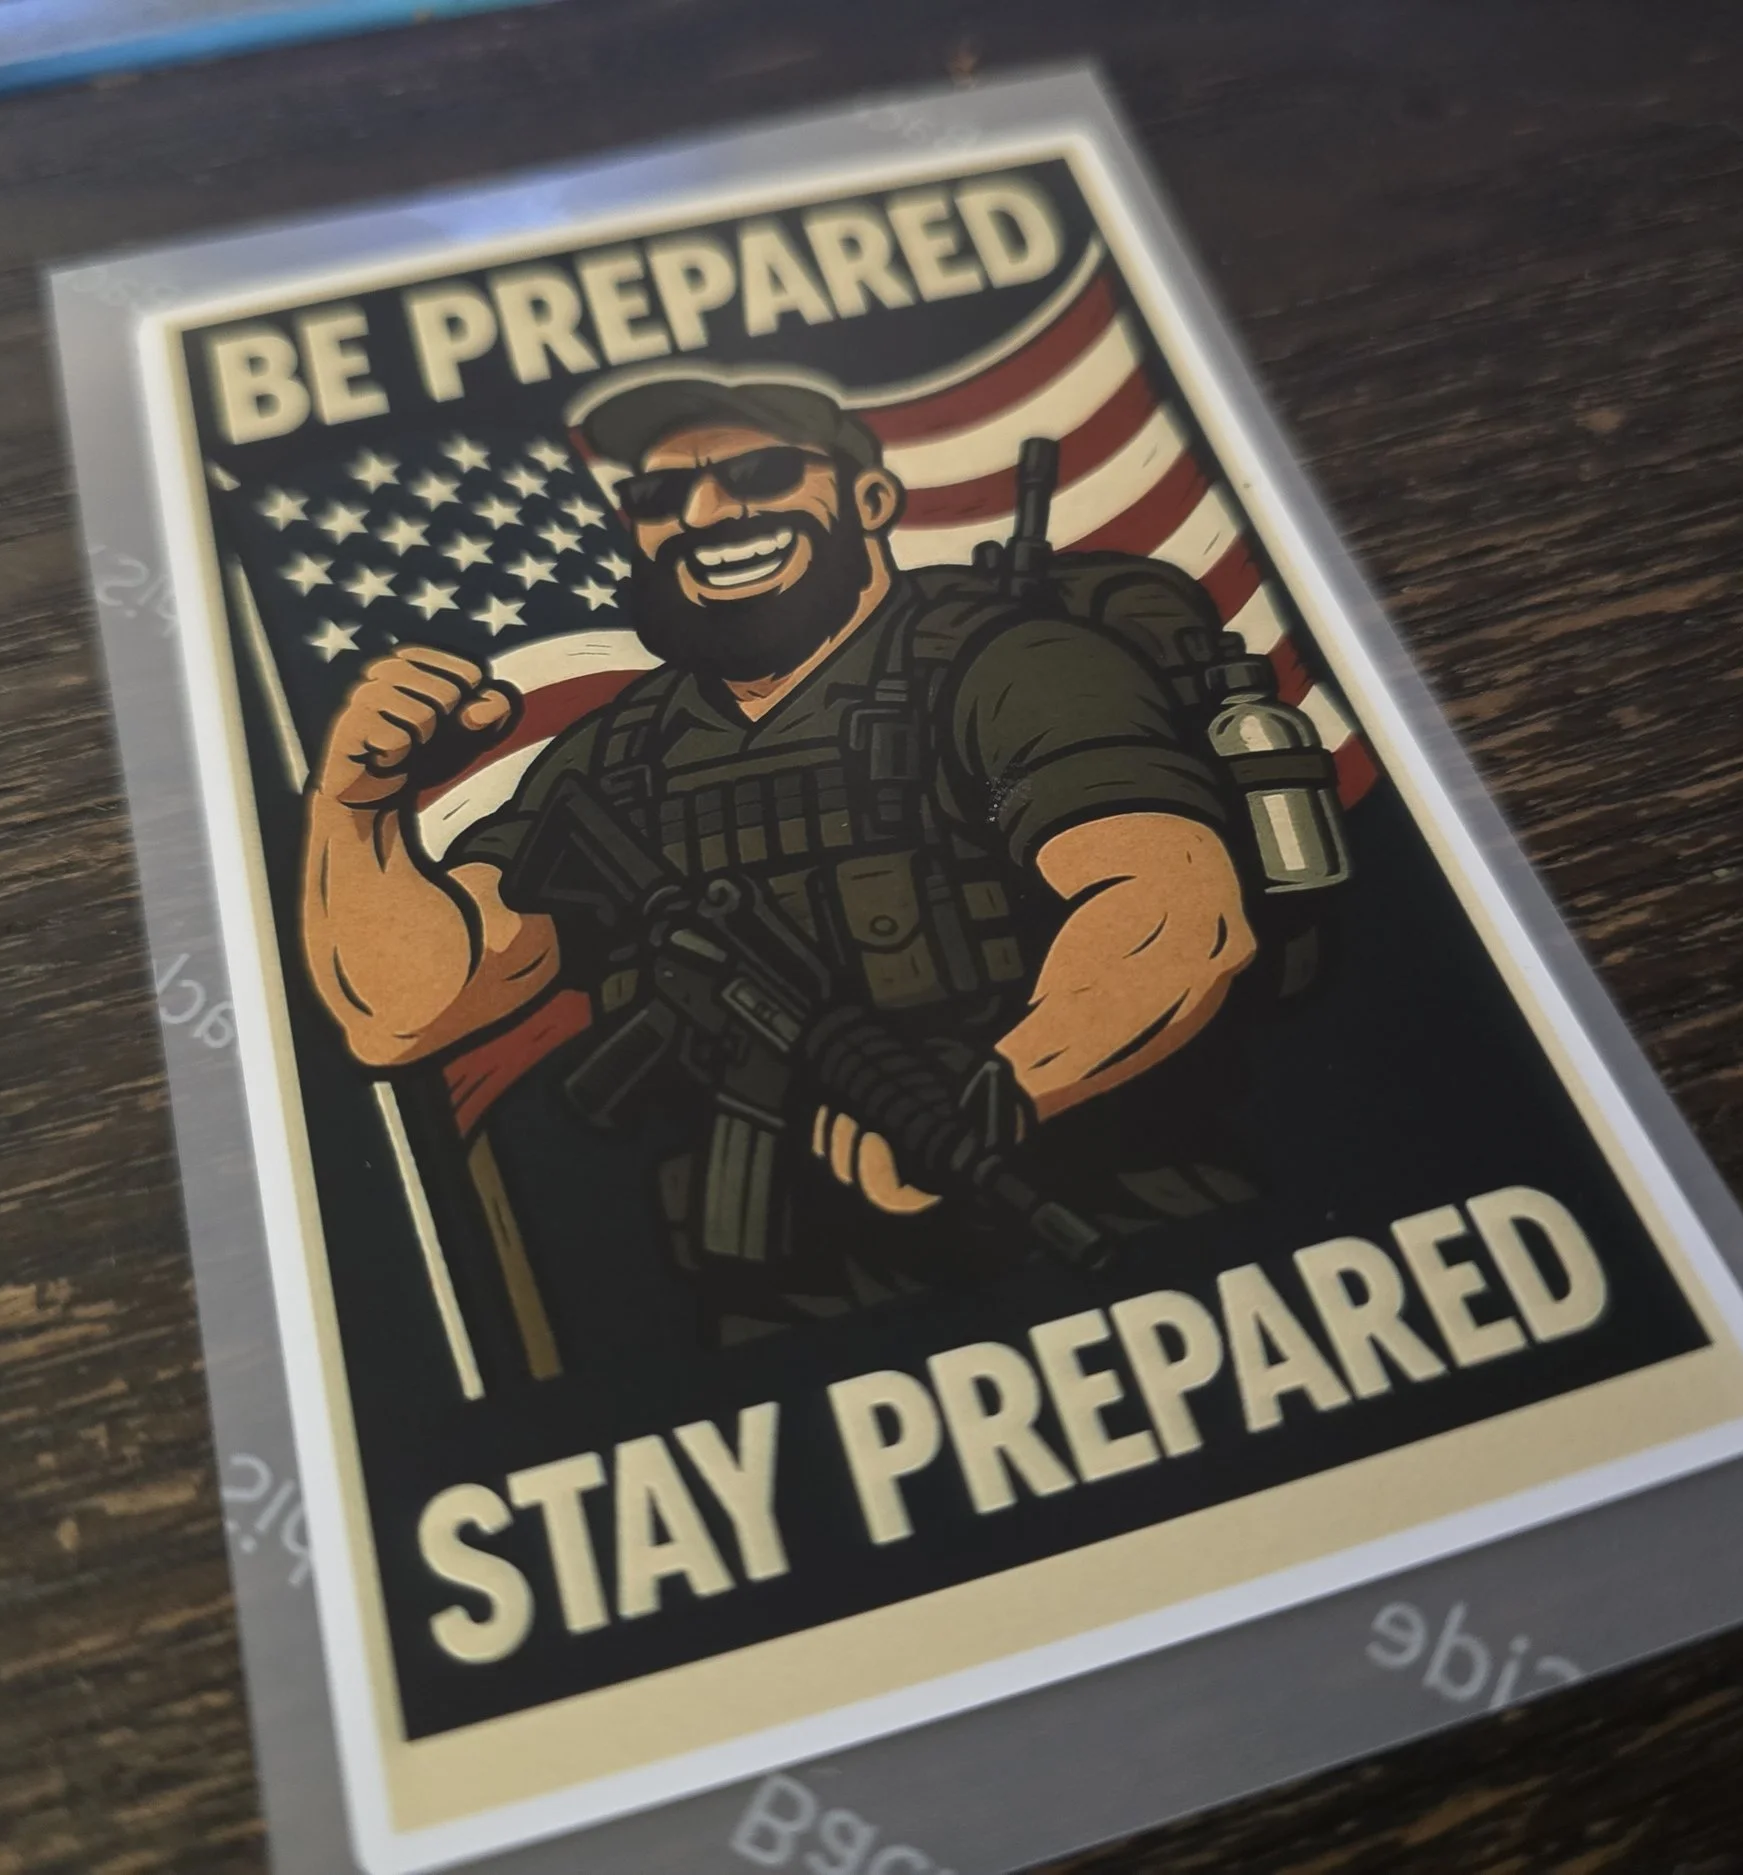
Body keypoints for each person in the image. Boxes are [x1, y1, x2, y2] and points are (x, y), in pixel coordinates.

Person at [301, 374, 1260, 1339]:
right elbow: (407, 1013)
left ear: (869, 499)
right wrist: (356, 807)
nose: (706, 515)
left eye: (759, 474)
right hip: (775, 1313)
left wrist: (999, 1092)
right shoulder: (618, 754)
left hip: (1102, 1243)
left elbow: (1169, 904)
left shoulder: (1008, 665)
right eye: (659, 495)